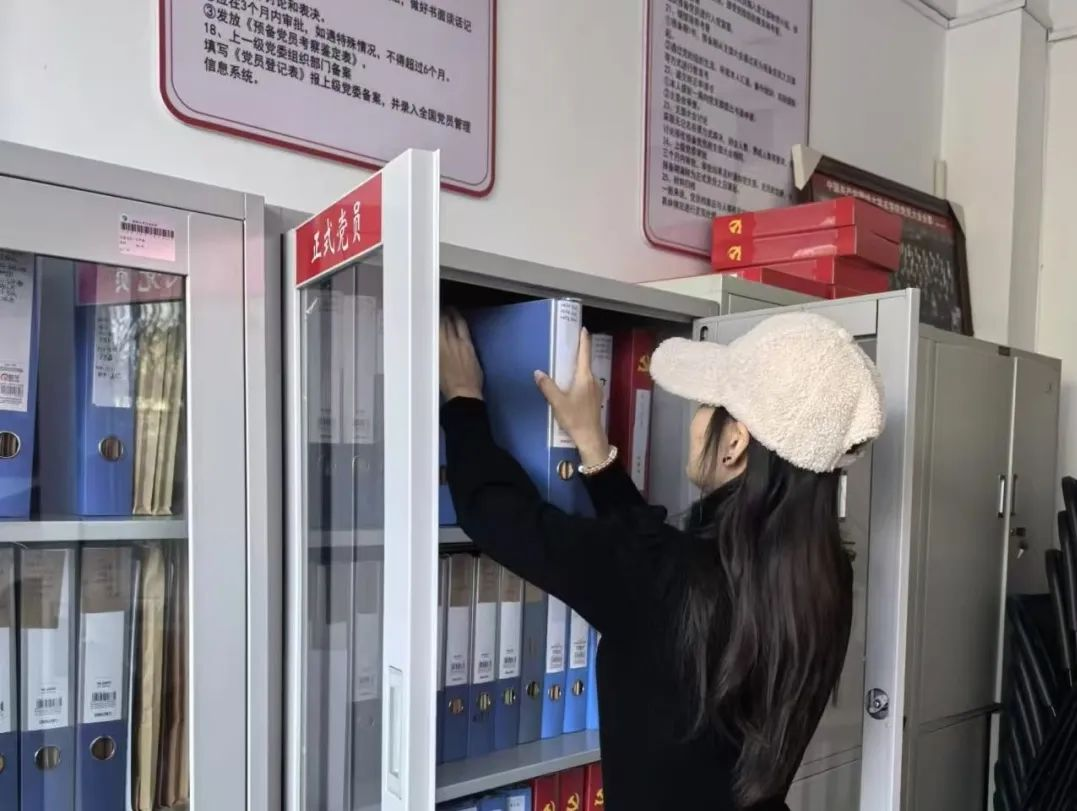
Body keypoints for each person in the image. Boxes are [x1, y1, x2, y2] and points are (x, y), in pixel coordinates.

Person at [439, 308, 885, 811]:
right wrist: (593, 445)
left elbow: (498, 517)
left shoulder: (667, 577)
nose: (696, 422)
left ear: (734, 442)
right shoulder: (825, 579)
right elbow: (655, 573)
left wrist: (463, 398)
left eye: (706, 406)